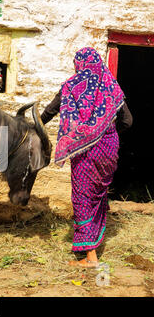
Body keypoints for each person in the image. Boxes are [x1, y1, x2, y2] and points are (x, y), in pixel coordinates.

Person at [41, 47, 133, 267]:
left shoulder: (71, 86)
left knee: (82, 197)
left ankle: (90, 257)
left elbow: (49, 112)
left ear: (78, 64)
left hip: (85, 152)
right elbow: (128, 121)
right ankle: (94, 240)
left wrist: (31, 127)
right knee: (98, 194)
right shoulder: (111, 86)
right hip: (109, 148)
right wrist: (105, 132)